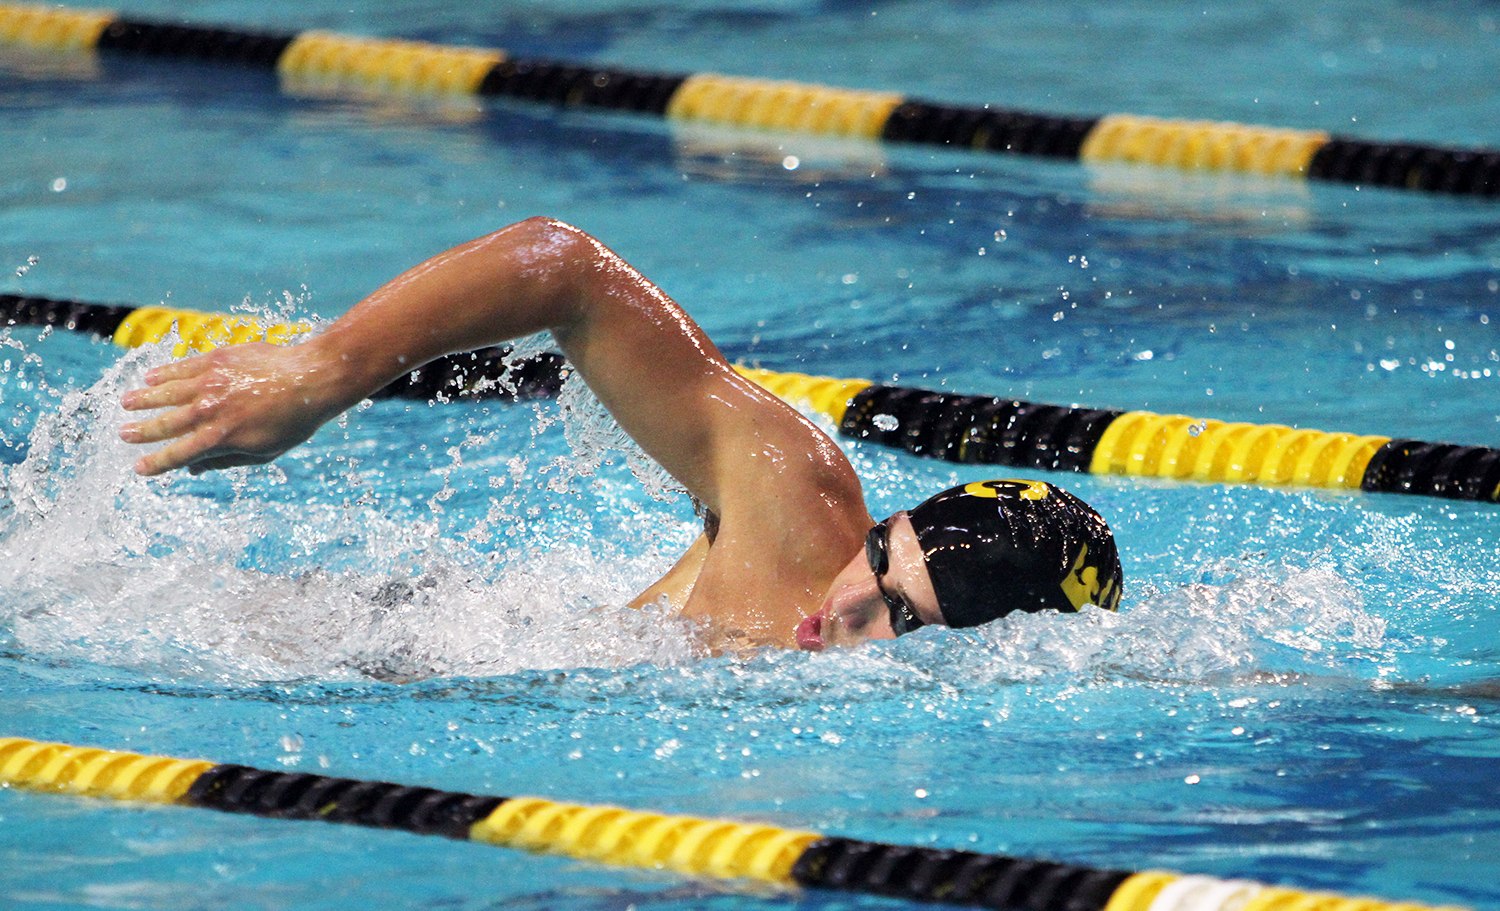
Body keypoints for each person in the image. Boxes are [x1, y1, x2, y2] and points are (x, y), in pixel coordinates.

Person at [119, 217, 1122, 651]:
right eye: (882, 568)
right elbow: (562, 267)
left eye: (905, 623)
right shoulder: (792, 491)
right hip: (382, 636)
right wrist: (318, 373)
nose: (847, 608)